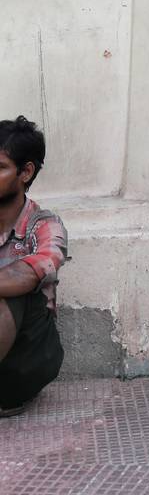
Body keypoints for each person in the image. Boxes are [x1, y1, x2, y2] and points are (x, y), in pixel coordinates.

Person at [0, 116, 67, 416]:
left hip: (25, 361)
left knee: (11, 290)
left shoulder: (46, 225)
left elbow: (27, 275)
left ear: (26, 172)